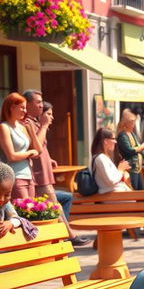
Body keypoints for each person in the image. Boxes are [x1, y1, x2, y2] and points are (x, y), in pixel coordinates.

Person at [23, 91, 89, 246]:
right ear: (28, 104)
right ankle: (68, 235)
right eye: (38, 102)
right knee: (54, 204)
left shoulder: (34, 122)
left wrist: (49, 158)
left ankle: (62, 233)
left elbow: (41, 147)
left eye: (41, 103)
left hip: (43, 171)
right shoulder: (28, 123)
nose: (40, 105)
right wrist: (44, 125)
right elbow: (36, 147)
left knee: (60, 200)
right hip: (38, 174)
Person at [0, 92, 42, 199]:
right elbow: (11, 156)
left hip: (29, 175)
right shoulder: (4, 127)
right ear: (11, 107)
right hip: (15, 176)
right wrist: (30, 153)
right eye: (22, 107)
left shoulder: (22, 127)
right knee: (23, 211)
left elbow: (39, 150)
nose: (25, 111)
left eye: (25, 108)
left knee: (31, 211)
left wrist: (32, 132)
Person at [0, 162, 38, 241]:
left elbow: (17, 218)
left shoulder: (5, 205)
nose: (2, 199)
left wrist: (10, 223)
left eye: (7, 195)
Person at [116, 108, 144, 191]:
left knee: (141, 192)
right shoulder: (122, 135)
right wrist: (143, 146)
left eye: (134, 121)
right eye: (131, 121)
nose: (133, 123)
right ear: (125, 122)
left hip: (137, 168)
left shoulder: (131, 133)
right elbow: (130, 150)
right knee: (133, 191)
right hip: (130, 168)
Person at [91, 128, 131, 194]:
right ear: (105, 141)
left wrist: (122, 170)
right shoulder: (100, 158)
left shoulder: (104, 157)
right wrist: (120, 169)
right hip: (114, 198)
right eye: (113, 139)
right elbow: (111, 181)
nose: (116, 142)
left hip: (118, 196)